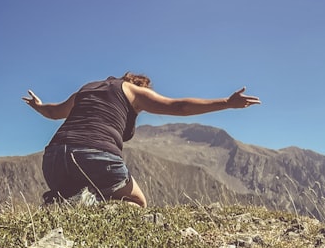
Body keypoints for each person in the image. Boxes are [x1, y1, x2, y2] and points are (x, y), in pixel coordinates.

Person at [23, 72, 260, 207]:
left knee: (80, 191)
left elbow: (55, 113)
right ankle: (89, 208)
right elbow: (179, 106)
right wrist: (227, 103)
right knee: (138, 203)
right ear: (139, 85)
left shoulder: (87, 89)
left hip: (53, 159)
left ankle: (64, 203)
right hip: (94, 155)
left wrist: (39, 106)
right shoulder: (133, 90)